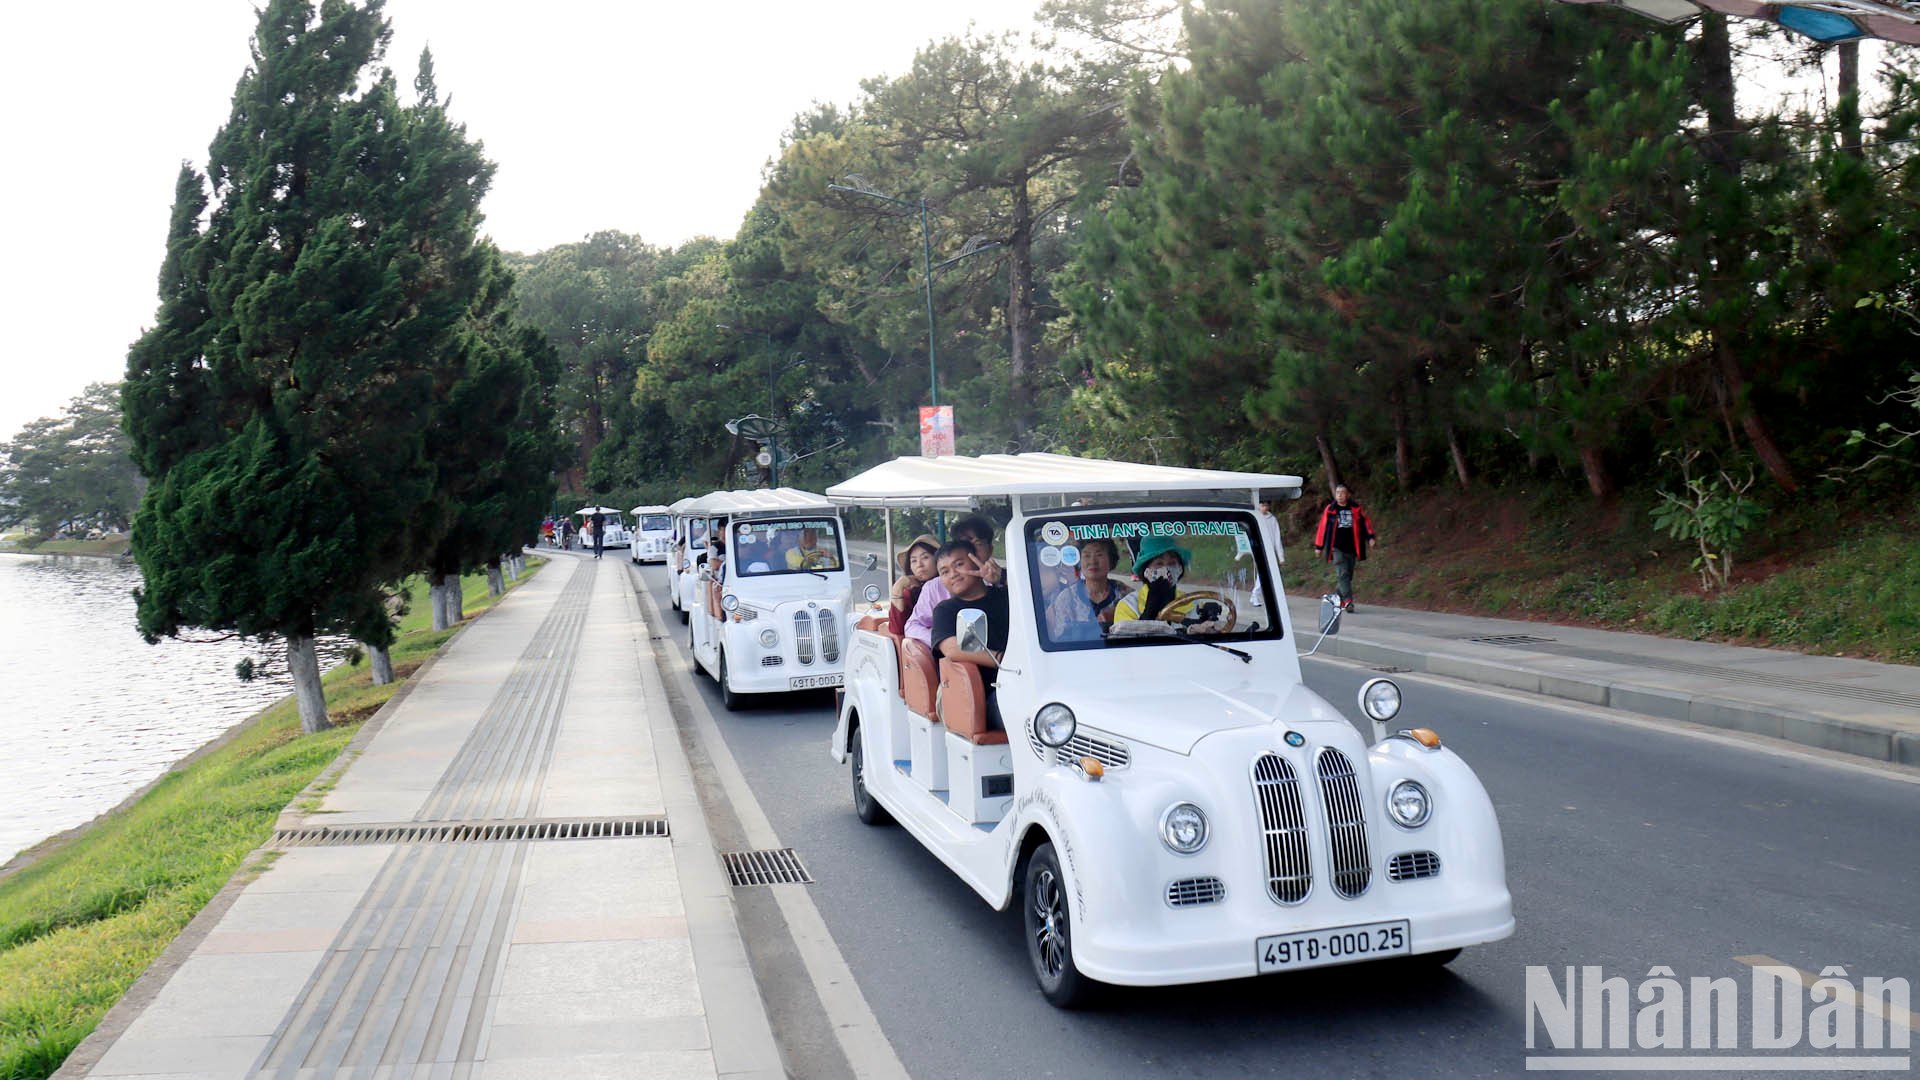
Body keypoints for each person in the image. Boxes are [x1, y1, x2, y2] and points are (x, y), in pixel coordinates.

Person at [929, 542, 1011, 729]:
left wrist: (1002, 577)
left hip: (1029, 680)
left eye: (959, 564)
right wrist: (1004, 660)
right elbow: (952, 648)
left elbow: (1046, 594)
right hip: (987, 695)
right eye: (944, 571)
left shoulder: (1007, 595)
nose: (953, 574)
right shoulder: (946, 610)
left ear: (977, 563)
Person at [905, 514, 1001, 647]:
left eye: (978, 544)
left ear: (990, 549)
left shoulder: (1007, 582)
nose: (972, 551)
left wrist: (1000, 582)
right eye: (965, 544)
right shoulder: (941, 601)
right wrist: (942, 640)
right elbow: (913, 626)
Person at [1113, 536, 1231, 632]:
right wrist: (1150, 612)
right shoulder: (1128, 606)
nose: (1167, 569)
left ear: (1180, 568)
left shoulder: (1194, 604)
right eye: (1159, 563)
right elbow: (1127, 649)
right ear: (1145, 570)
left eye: (1172, 563)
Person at [1312, 484, 1376, 612]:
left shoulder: (1355, 508)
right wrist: (1319, 546)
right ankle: (1348, 601)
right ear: (1335, 495)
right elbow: (1322, 528)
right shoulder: (1330, 509)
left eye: (1342, 493)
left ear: (1348, 495)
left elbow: (1365, 523)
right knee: (1342, 574)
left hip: (1352, 547)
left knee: (1347, 576)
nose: (1340, 495)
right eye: (1337, 493)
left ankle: (1336, 597)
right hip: (1337, 547)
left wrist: (1370, 537)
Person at [888, 533, 940, 637]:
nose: (919, 565)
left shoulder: (949, 585)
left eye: (925, 557)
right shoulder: (910, 593)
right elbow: (897, 629)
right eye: (914, 561)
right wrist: (898, 588)